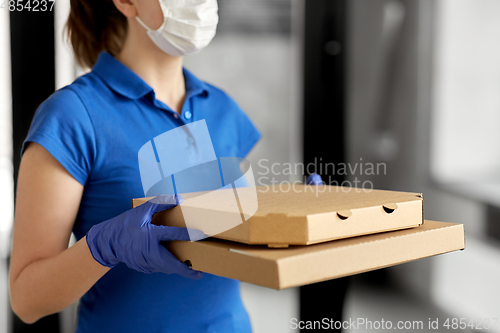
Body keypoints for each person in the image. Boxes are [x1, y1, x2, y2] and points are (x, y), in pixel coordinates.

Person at [9, 0, 261, 331]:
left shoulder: (223, 109)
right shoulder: (73, 117)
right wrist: (104, 247)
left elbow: (236, 243)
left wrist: (299, 220)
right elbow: (26, 301)